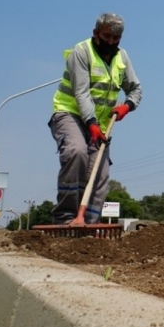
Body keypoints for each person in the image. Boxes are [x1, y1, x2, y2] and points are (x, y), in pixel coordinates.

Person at [48, 12, 142, 224]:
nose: (111, 42)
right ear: (96, 33)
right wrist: (90, 123)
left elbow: (136, 89)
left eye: (115, 39)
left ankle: (88, 223)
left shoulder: (122, 57)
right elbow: (82, 93)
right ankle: (64, 217)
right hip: (69, 113)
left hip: (100, 124)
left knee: (99, 173)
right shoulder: (81, 52)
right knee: (76, 152)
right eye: (107, 36)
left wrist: (127, 106)